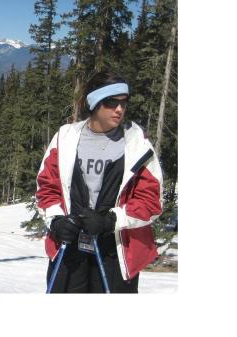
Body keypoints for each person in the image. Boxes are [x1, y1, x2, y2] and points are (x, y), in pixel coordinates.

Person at [36, 70, 163, 293]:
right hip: (70, 243)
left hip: (116, 250)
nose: (119, 109)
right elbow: (47, 186)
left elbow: (151, 201)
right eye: (111, 102)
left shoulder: (137, 144)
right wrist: (56, 221)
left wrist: (109, 222)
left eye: (124, 102)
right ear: (94, 102)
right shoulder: (65, 137)